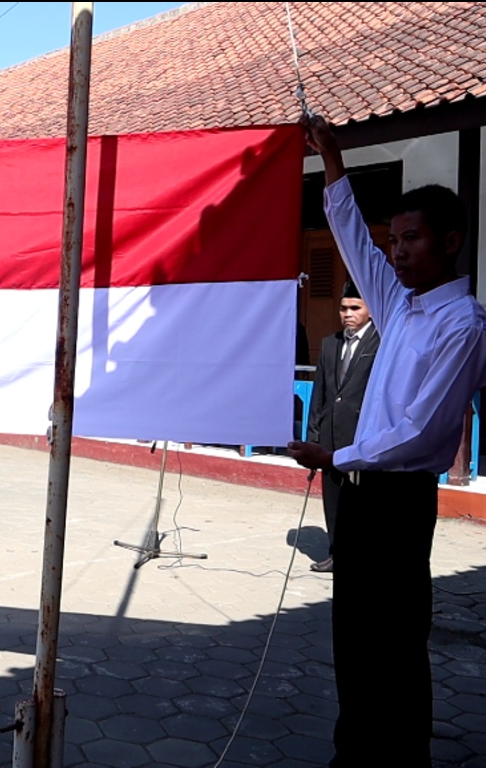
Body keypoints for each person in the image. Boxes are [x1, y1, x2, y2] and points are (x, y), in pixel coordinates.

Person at [288, 113, 486, 767]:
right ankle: (356, 750)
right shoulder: (400, 304)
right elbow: (353, 244)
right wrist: (336, 165)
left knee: (395, 642)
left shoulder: (463, 324)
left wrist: (334, 455)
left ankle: (400, 756)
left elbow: (423, 431)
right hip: (362, 494)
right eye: (394, 239)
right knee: (354, 637)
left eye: (412, 239)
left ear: (450, 241)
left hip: (400, 500)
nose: (397, 251)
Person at [305, 281, 379, 573]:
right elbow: (320, 394)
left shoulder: (381, 343)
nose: (347, 314)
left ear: (370, 311)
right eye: (343, 308)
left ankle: (364, 555)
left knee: (364, 503)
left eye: (355, 308)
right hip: (330, 440)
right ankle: (336, 552)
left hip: (363, 438)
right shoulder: (329, 344)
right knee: (334, 500)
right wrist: (313, 437)